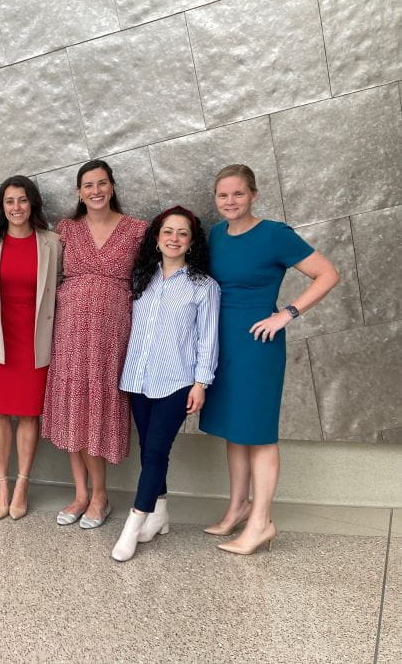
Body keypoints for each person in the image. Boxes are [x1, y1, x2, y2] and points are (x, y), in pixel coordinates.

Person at [200, 164, 339, 555]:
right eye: (223, 195)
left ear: (254, 195)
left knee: (258, 433)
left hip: (257, 346)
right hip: (221, 342)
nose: (230, 201)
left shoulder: (275, 234)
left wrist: (286, 314)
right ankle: (236, 510)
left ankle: (261, 522)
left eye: (238, 194)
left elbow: (328, 274)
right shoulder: (215, 234)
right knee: (235, 429)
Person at [42, 160, 147, 529]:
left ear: (112, 186)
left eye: (102, 183)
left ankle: (100, 496)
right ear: (79, 191)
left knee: (98, 407)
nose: (96, 191)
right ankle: (81, 493)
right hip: (70, 331)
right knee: (73, 405)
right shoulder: (66, 229)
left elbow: (152, 280)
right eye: (88, 185)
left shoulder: (137, 230)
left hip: (111, 335)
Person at [111, 207, 220, 561]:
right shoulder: (142, 278)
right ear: (157, 238)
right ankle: (160, 514)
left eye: (182, 233)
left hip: (177, 382)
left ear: (191, 241)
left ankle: (133, 524)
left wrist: (201, 382)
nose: (174, 239)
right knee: (148, 450)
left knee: (156, 452)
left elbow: (208, 339)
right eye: (167, 232)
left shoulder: (203, 287)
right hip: (138, 378)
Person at [0, 175, 61, 521]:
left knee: (28, 415)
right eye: (9, 201)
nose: (16, 208)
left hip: (34, 340)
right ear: (2, 207)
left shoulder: (52, 243)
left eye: (22, 200)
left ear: (33, 204)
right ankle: (2, 484)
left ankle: (23, 484)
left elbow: (57, 287)